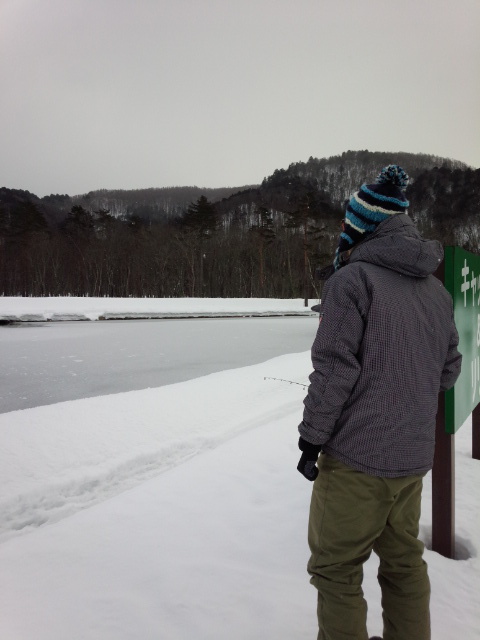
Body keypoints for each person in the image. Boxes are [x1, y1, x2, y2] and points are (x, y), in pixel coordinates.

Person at [297, 165, 462, 640]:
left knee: (336, 569)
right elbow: (448, 368)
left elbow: (334, 369)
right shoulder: (436, 292)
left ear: (364, 224)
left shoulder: (351, 282)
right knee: (404, 564)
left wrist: (312, 438)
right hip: (411, 462)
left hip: (355, 461)